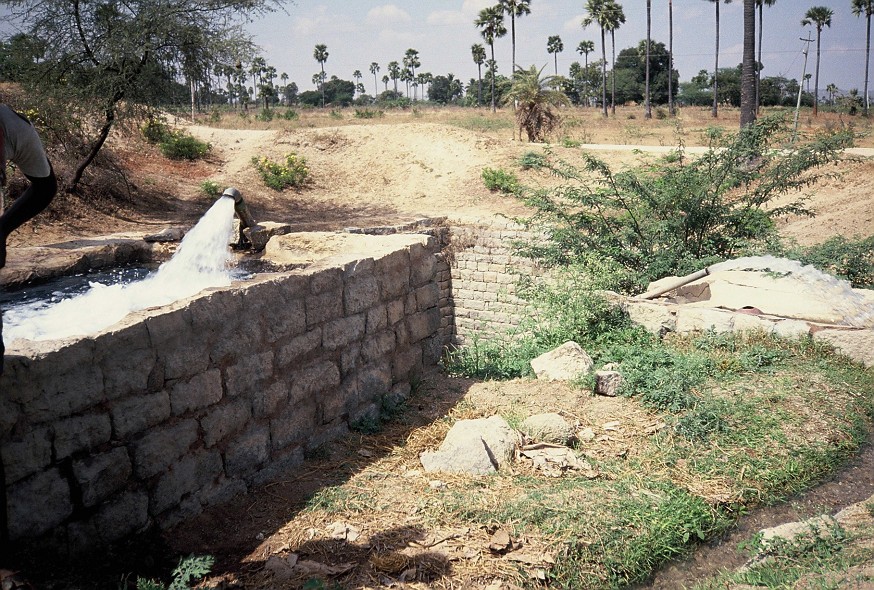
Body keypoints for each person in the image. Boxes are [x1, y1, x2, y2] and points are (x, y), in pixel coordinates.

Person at [0, 103, 58, 374]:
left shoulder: (9, 124)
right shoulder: (10, 122)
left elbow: (45, 186)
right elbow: (45, 187)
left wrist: (2, 228)